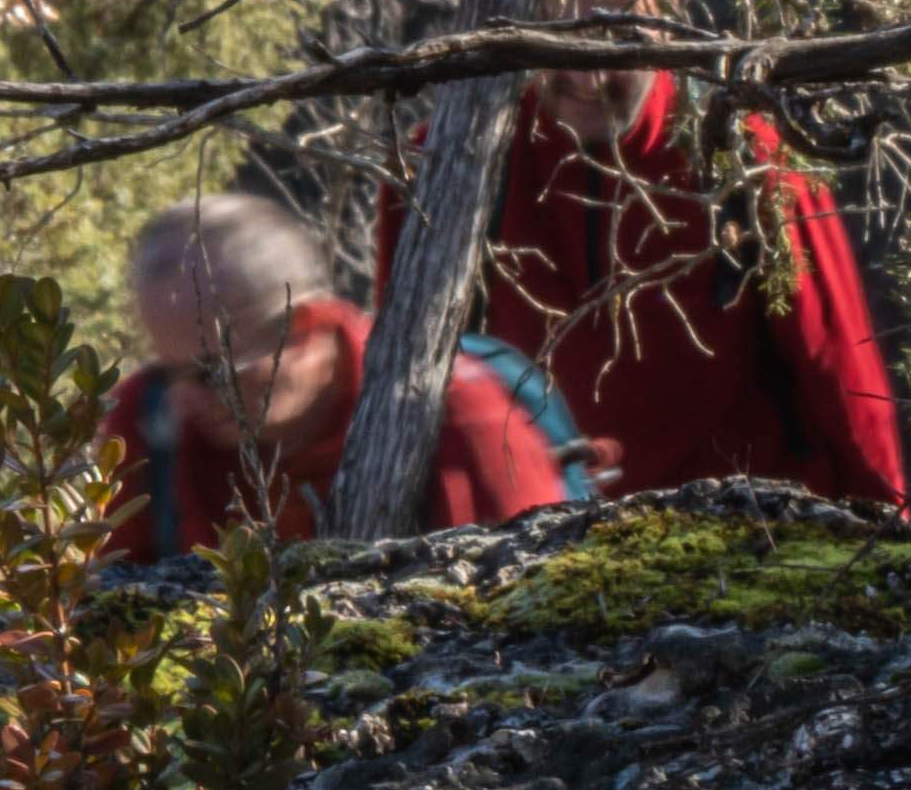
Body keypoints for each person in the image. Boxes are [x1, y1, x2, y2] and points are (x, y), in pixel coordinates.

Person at [392, 0, 911, 503]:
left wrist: (891, 548)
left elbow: (838, 372)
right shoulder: (447, 172)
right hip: (530, 553)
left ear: (663, 16)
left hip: (747, 546)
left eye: (616, 33)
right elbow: (399, 405)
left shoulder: (748, 160)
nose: (585, 77)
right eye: (552, 33)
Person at [114, 192, 586, 561]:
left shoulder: (461, 419)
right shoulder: (146, 420)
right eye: (167, 372)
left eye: (212, 374)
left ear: (305, 328)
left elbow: (531, 622)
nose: (182, 401)